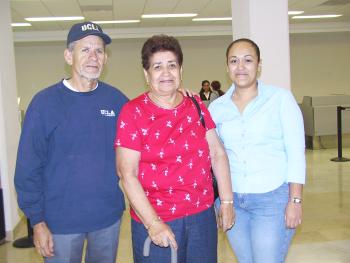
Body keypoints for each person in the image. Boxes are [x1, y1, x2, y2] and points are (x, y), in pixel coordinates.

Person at [14, 21, 128, 263]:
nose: (93, 57)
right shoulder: (44, 104)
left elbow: (147, 131)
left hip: (106, 219)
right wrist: (37, 221)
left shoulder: (117, 101)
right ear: (68, 55)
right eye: (84, 49)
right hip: (59, 224)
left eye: (99, 50)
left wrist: (179, 95)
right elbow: (27, 168)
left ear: (105, 58)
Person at [115, 34, 234, 263]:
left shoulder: (196, 105)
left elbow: (217, 153)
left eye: (172, 65)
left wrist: (227, 201)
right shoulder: (132, 112)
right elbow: (126, 174)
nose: (166, 73)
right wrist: (153, 223)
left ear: (181, 70)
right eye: (157, 67)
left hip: (202, 217)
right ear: (146, 74)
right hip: (158, 219)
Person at [208, 38, 306, 263]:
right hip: (232, 201)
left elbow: (295, 152)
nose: (240, 67)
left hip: (271, 199)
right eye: (234, 61)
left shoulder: (280, 99)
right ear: (227, 67)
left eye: (248, 60)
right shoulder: (217, 107)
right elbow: (213, 155)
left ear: (259, 65)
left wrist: (296, 200)